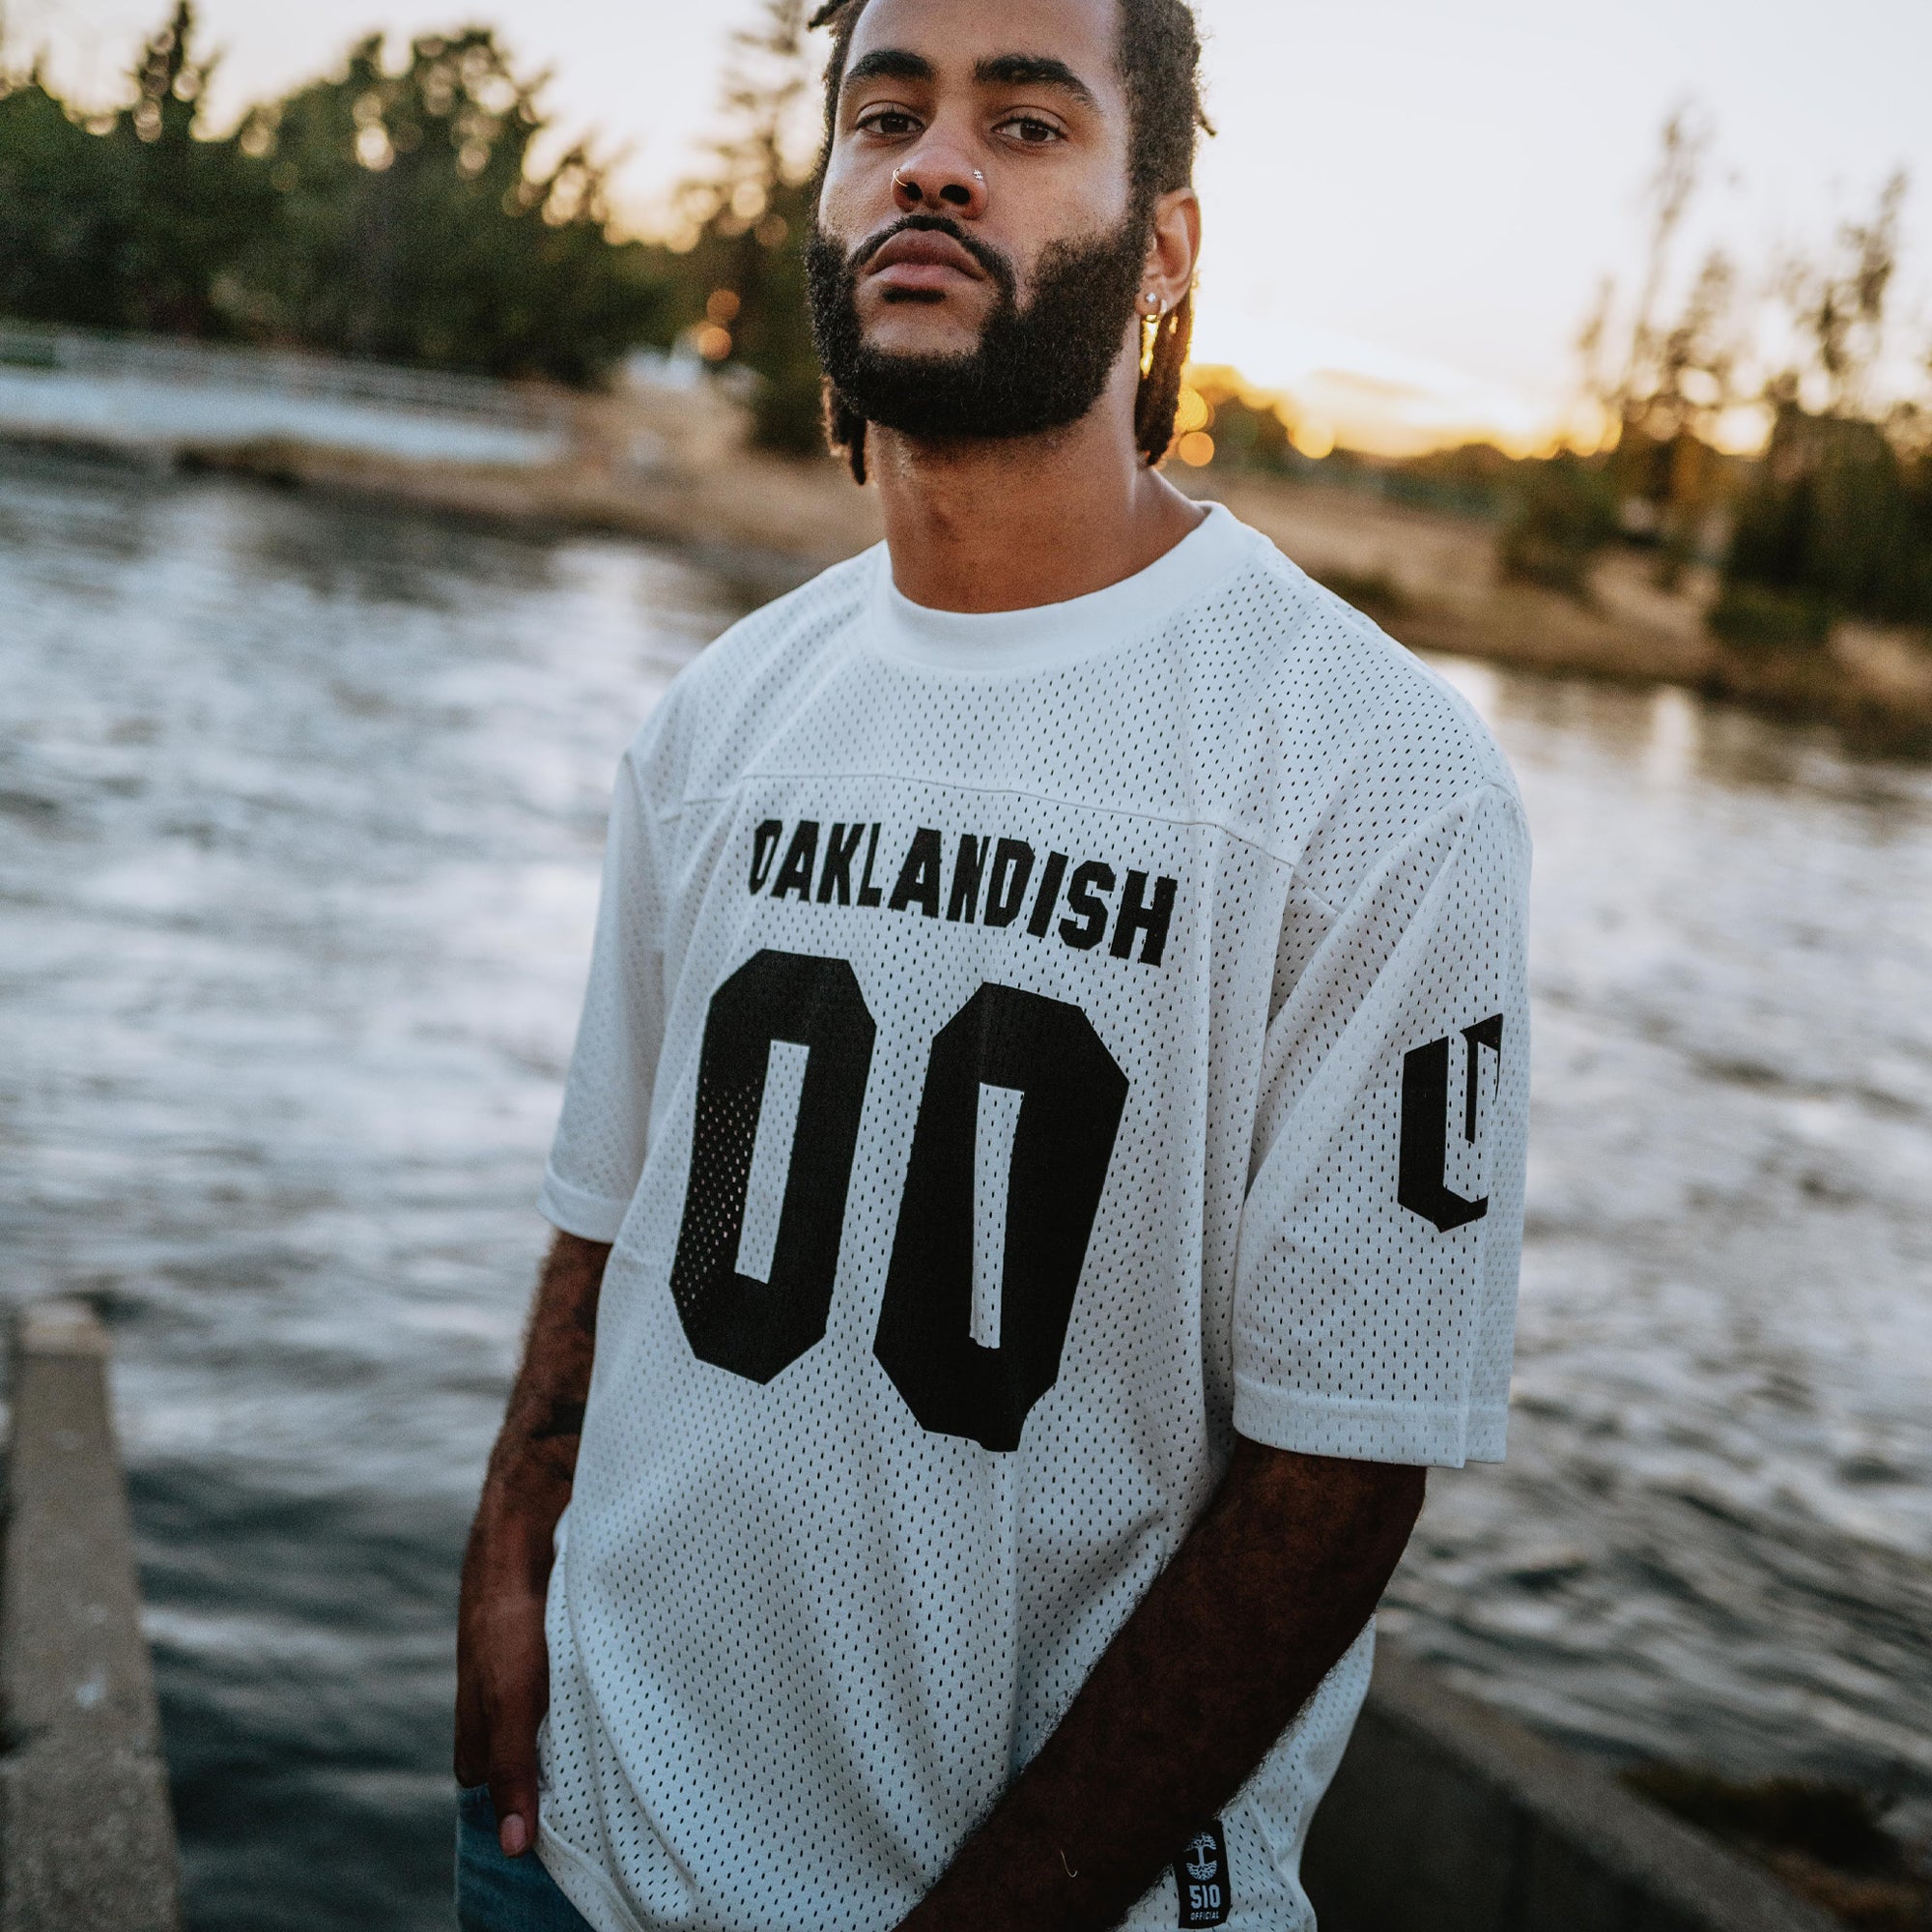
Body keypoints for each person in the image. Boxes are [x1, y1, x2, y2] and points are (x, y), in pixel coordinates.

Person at [455, 0, 1530, 1926]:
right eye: (888, 113)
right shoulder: (721, 713)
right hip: (577, 1851)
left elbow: (1334, 1479)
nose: (934, 161)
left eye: (1027, 121)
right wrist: (506, 1553)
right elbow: (602, 1212)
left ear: (1166, 246)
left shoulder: (1376, 777)